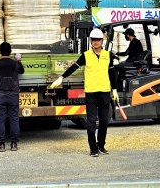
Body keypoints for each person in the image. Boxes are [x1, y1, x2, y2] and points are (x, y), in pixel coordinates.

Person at [50, 28, 118, 157]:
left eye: (98, 39)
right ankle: (93, 149)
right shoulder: (86, 55)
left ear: (102, 41)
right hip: (91, 92)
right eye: (93, 40)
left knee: (103, 121)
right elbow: (74, 67)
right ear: (91, 41)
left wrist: (114, 89)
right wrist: (62, 77)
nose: (96, 42)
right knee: (91, 121)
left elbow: (112, 73)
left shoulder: (108, 55)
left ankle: (101, 146)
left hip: (104, 91)